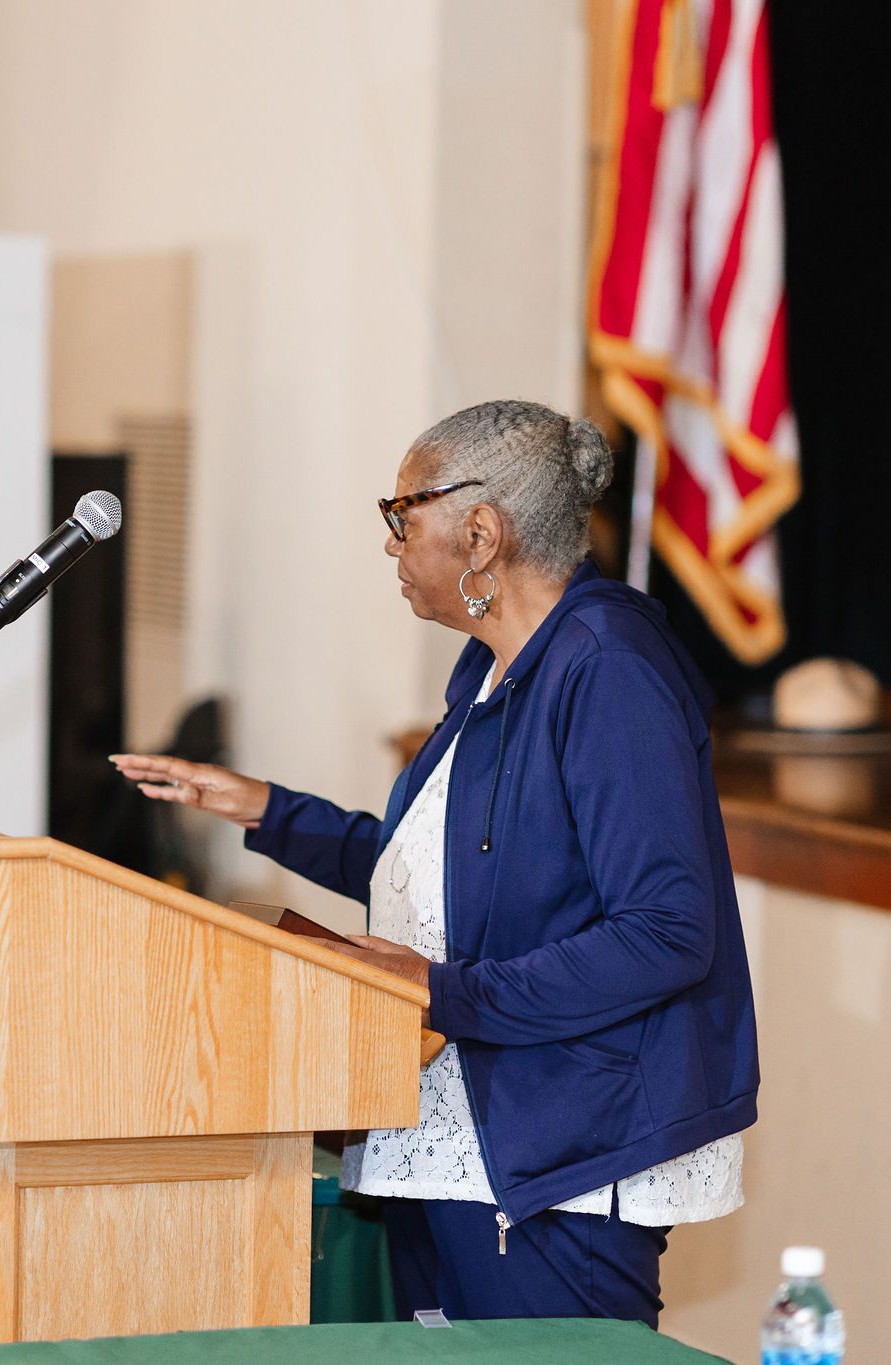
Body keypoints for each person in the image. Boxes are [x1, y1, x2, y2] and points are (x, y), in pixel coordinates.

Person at [112, 400, 758, 1328]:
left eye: (402, 519)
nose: (392, 547)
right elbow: (436, 876)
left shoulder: (609, 669)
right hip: (458, 1129)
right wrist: (262, 807)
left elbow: (666, 932)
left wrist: (445, 991)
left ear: (482, 533)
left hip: (562, 1152)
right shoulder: (491, 665)